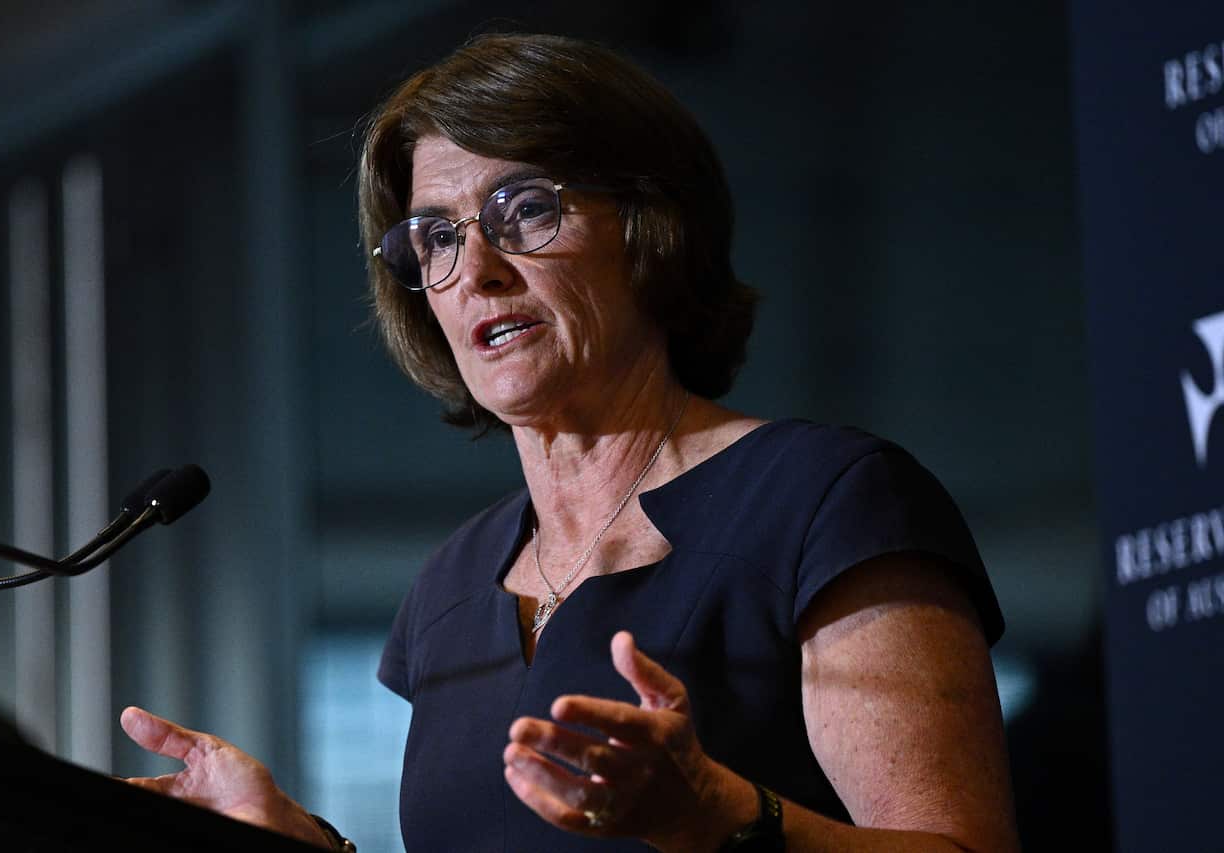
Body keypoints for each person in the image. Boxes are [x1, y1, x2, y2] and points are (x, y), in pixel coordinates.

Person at [121, 33, 1020, 852]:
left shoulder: (830, 502)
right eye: (435, 236)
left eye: (525, 207)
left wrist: (725, 818)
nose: (476, 268)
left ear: (646, 228)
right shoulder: (448, 588)